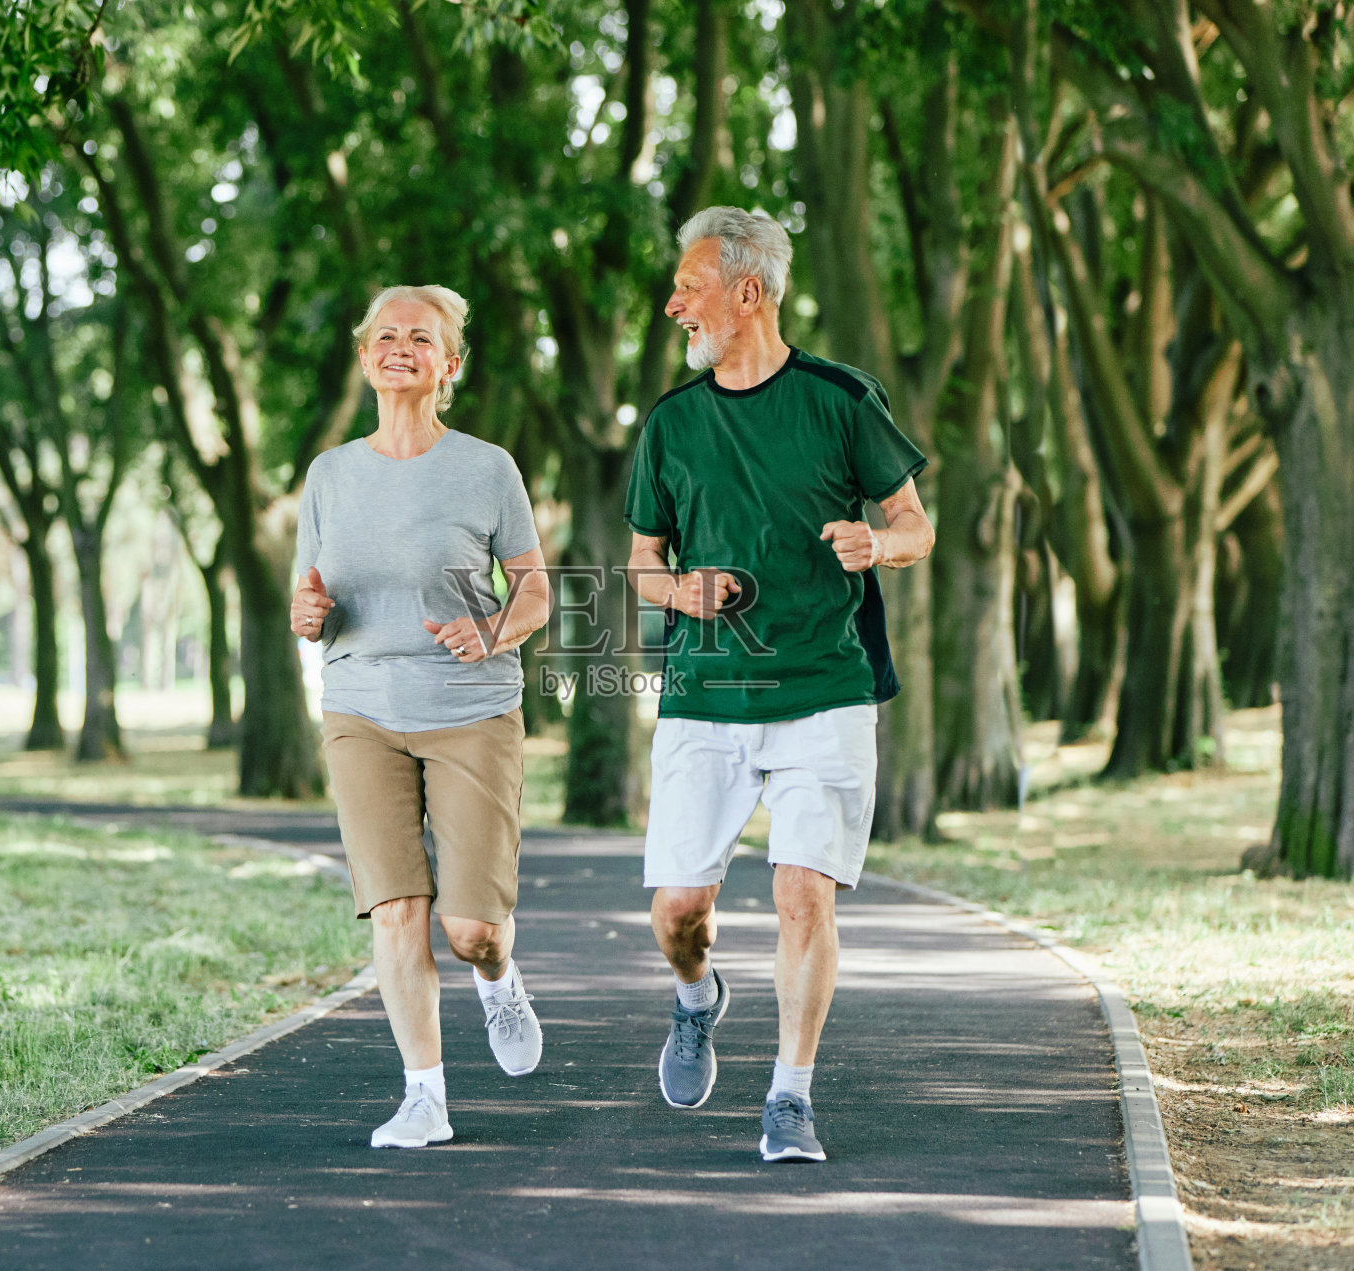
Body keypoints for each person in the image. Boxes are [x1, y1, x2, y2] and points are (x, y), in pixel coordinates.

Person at [623, 207, 934, 1163]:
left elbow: (916, 524)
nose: (674, 302)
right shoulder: (671, 424)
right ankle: (695, 996)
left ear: (746, 292)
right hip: (705, 696)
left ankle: (789, 1096)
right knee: (679, 909)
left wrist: (877, 542)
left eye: (691, 285)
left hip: (824, 692)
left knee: (804, 893)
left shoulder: (842, 399)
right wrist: (681, 591)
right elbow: (640, 562)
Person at [291, 284, 553, 1149]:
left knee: (470, 926)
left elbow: (537, 590)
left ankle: (498, 974)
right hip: (361, 705)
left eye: (422, 337)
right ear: (366, 356)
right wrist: (307, 613)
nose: (401, 347)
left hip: (472, 709)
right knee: (398, 908)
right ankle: (424, 1097)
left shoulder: (487, 467)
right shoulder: (329, 474)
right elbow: (313, 593)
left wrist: (492, 627)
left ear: (450, 366)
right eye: (387, 335)